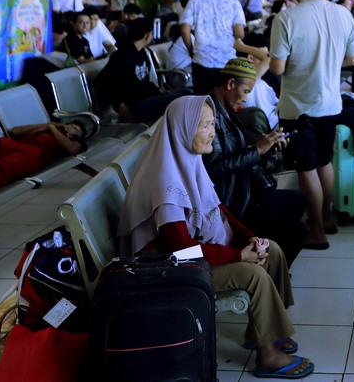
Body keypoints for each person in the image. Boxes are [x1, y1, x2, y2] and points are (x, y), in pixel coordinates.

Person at [116, 96, 314, 379]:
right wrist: (238, 255)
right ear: (184, 130)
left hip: (188, 255)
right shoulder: (166, 187)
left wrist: (250, 237)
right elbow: (182, 250)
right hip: (167, 268)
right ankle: (268, 355)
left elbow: (218, 210)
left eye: (213, 124)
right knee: (252, 274)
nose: (213, 132)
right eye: (206, 126)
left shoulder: (188, 160)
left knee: (274, 250)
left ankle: (263, 330)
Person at [269, 0, 354, 250]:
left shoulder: (286, 18)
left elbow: (278, 69)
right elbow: (353, 60)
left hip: (298, 108)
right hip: (331, 104)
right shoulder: (344, 14)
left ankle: (316, 231)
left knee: (306, 168)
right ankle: (327, 218)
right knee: (324, 162)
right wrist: (328, 63)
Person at [203, 58, 309, 265]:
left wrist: (266, 148)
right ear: (231, 84)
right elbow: (214, 168)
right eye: (245, 91)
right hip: (232, 204)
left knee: (298, 201)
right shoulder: (210, 116)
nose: (245, 98)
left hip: (243, 191)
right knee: (297, 230)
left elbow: (240, 152)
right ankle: (268, 269)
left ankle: (270, 262)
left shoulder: (225, 110)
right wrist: (257, 149)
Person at [94, 18, 186, 122]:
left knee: (186, 93)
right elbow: (100, 82)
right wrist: (120, 104)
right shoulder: (121, 56)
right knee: (184, 99)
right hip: (135, 105)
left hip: (147, 98)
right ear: (147, 36)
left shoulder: (142, 53)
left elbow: (143, 83)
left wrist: (159, 92)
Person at [180, 0, 246, 95]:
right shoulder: (234, 4)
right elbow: (239, 34)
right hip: (227, 62)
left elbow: (184, 30)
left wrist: (191, 50)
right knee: (225, 104)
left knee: (201, 104)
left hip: (202, 61)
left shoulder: (194, 1)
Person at [0, 121, 86, 188]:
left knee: (5, 167)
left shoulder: (75, 139)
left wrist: (52, 128)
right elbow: (15, 131)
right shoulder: (52, 126)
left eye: (77, 130)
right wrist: (47, 125)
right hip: (17, 144)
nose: (74, 129)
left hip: (33, 153)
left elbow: (72, 149)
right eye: (73, 126)